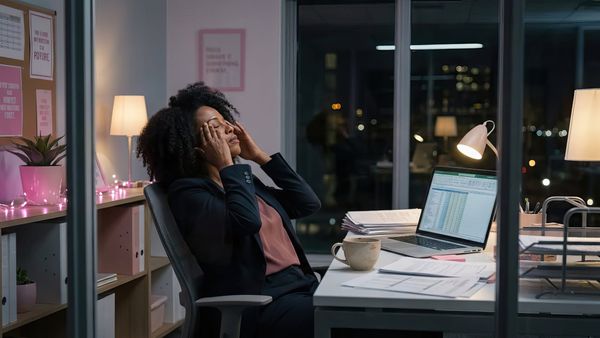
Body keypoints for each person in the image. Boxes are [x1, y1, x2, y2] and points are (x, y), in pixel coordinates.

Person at [136, 82, 321, 338]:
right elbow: (246, 222)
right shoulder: (189, 194)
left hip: (300, 286)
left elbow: (307, 203)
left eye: (225, 121)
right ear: (198, 147)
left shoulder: (243, 183)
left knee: (371, 312)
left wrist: (258, 156)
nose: (229, 128)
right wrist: (227, 164)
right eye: (215, 127)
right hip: (263, 302)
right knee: (352, 324)